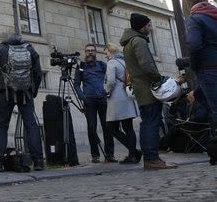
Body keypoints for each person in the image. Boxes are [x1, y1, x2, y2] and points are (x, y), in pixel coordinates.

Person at [120, 13, 177, 170]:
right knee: (152, 122)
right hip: (147, 88)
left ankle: (150, 159)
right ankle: (152, 158)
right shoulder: (138, 41)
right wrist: (159, 79)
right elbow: (147, 65)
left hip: (140, 88)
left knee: (147, 123)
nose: (150, 28)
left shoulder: (129, 42)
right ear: (142, 26)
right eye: (148, 26)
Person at [0, 33, 44, 172]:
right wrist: (33, 90)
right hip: (26, 91)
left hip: (5, 92)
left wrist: (3, 77)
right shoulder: (30, 49)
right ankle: (38, 162)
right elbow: (37, 73)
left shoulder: (0, 49)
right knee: (31, 125)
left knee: (2, 126)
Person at [74, 43, 115, 163]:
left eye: (92, 50)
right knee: (91, 128)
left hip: (103, 99)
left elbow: (110, 78)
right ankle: (95, 155)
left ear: (95, 52)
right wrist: (82, 97)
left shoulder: (102, 65)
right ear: (85, 52)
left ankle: (110, 154)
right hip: (89, 101)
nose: (90, 52)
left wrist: (108, 92)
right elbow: (76, 83)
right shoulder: (81, 67)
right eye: (88, 51)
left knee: (107, 127)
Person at [103, 43, 141, 164]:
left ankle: (134, 153)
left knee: (111, 127)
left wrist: (106, 91)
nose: (106, 56)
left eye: (106, 53)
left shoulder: (112, 63)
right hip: (127, 96)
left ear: (110, 51)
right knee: (128, 127)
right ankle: (133, 154)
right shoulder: (125, 62)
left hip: (116, 98)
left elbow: (110, 81)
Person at [185, 0, 217, 129]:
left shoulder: (195, 18)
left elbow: (194, 44)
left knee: (215, 107)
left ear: (190, 5)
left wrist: (195, 65)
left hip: (208, 68)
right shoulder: (214, 15)